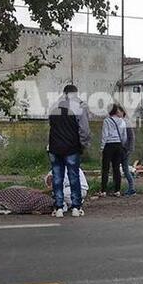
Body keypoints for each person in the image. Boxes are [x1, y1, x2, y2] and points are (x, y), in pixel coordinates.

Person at [48, 84, 91, 218]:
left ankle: (59, 208)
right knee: (73, 177)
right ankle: (76, 208)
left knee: (57, 178)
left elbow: (51, 125)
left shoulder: (53, 107)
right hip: (71, 147)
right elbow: (84, 130)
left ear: (64, 93)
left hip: (55, 147)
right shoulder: (80, 107)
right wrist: (83, 145)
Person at [100, 104, 128, 197]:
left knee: (105, 168)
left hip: (108, 145)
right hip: (118, 145)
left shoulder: (107, 121)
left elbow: (105, 134)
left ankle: (103, 190)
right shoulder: (122, 121)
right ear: (116, 111)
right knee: (116, 168)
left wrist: (102, 147)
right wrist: (122, 145)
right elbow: (124, 136)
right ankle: (117, 190)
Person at [118, 105, 137, 197]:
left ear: (123, 112)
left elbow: (131, 137)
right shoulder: (119, 122)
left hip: (125, 149)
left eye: (119, 112)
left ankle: (132, 188)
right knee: (122, 169)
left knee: (125, 168)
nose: (118, 114)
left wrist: (129, 149)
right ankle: (130, 187)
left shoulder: (126, 122)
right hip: (120, 148)